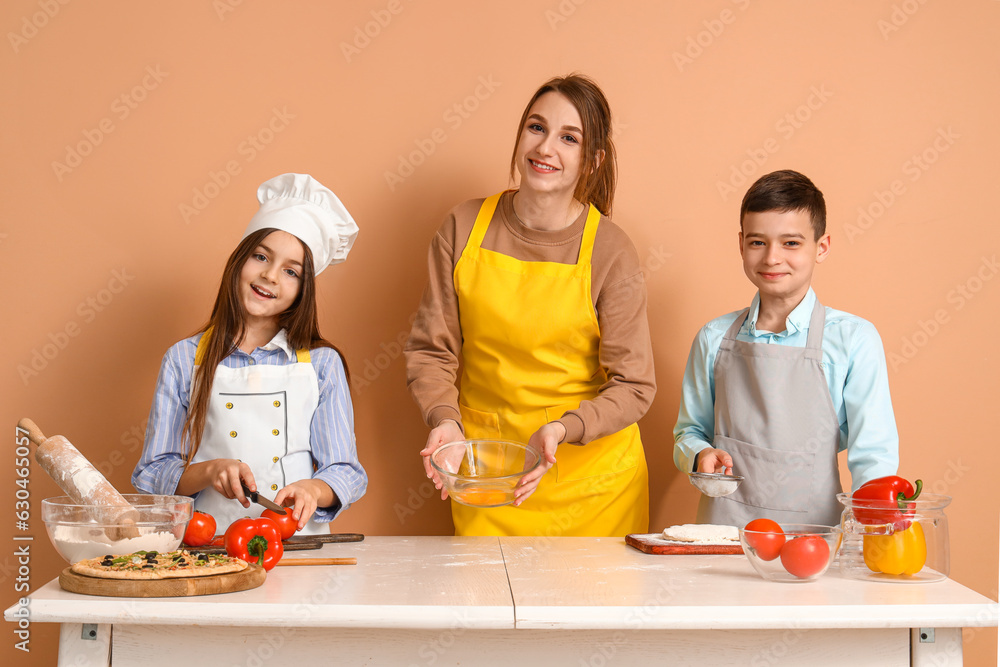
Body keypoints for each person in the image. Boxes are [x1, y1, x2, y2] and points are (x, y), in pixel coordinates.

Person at [405, 74, 655, 537]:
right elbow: (430, 350)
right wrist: (445, 421)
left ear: (592, 160)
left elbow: (635, 385)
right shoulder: (462, 227)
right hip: (489, 479)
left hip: (593, 489)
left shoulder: (611, 251)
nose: (546, 148)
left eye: (569, 138)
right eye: (536, 128)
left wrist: (565, 428)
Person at [133, 173, 367, 535]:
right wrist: (210, 470)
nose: (271, 276)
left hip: (297, 549)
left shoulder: (321, 364)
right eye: (261, 256)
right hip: (209, 548)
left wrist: (313, 489)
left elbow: (345, 471)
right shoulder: (183, 359)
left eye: (291, 271)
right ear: (239, 259)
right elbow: (152, 473)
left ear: (304, 290)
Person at [673, 169, 899, 527]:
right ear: (741, 244)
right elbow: (689, 432)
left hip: (814, 541)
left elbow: (873, 455)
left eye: (791, 243)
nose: (772, 258)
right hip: (721, 537)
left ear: (820, 247)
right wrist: (700, 453)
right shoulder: (713, 338)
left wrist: (874, 526)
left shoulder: (853, 339)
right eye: (757, 242)